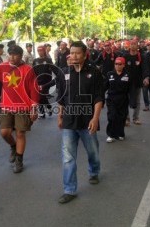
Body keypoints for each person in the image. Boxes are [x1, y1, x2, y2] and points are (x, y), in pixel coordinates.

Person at [0, 45, 39, 173]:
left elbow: (34, 89)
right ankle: (13, 146)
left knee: (20, 133)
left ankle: (19, 160)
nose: (11, 57)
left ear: (21, 56)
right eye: (9, 54)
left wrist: (34, 107)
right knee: (5, 132)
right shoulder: (3, 67)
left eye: (15, 55)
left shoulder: (28, 70)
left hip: (23, 107)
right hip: (6, 106)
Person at [55, 41, 104, 204]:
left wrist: (95, 118)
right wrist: (60, 116)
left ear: (84, 55)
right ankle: (69, 189)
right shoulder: (64, 73)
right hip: (69, 122)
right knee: (68, 158)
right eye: (71, 52)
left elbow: (98, 98)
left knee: (93, 152)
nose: (73, 56)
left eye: (77, 53)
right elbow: (61, 97)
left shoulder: (94, 73)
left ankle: (94, 171)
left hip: (87, 121)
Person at [123, 40, 150, 126]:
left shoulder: (141, 56)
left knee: (137, 101)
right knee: (125, 100)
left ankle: (136, 118)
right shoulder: (125, 56)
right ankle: (126, 119)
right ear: (129, 46)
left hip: (137, 82)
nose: (133, 46)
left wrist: (146, 78)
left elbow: (145, 68)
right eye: (132, 44)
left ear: (137, 46)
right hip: (126, 82)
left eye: (135, 44)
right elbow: (121, 68)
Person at [105, 57, 130, 142]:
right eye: (116, 64)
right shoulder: (109, 74)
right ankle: (111, 135)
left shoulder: (127, 75)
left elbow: (131, 88)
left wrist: (133, 100)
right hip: (111, 99)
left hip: (123, 99)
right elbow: (104, 87)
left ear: (123, 65)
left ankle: (120, 133)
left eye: (120, 64)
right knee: (112, 116)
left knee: (121, 117)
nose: (117, 66)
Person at [33, 45, 56, 118]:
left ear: (44, 51)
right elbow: (33, 71)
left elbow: (54, 69)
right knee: (40, 97)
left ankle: (48, 109)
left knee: (42, 96)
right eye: (38, 51)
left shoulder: (48, 60)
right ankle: (43, 112)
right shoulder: (35, 61)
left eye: (41, 51)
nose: (40, 52)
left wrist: (58, 77)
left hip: (46, 82)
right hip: (38, 81)